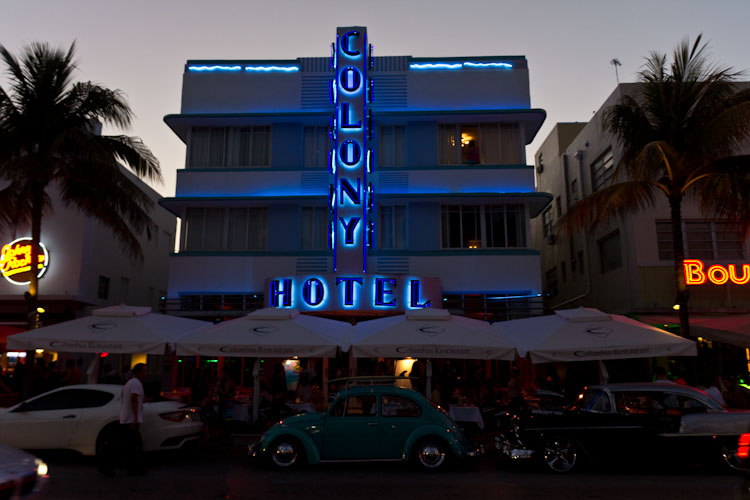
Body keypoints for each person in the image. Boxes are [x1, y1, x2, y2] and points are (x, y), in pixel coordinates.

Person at [100, 363, 148, 476]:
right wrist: (135, 418)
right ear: (139, 372)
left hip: (127, 418)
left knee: (129, 445)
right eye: (145, 371)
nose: (146, 374)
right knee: (130, 445)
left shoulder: (131, 382)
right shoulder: (136, 383)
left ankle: (131, 468)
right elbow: (134, 399)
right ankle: (129, 468)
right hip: (131, 419)